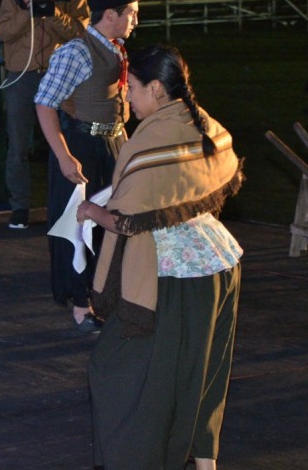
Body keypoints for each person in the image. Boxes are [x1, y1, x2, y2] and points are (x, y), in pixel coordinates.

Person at [76, 44, 244, 470]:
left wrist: (92, 211)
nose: (127, 98)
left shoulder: (153, 135)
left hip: (173, 274)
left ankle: (138, 459)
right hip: (218, 259)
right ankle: (205, 461)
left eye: (131, 89)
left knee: (125, 373)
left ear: (155, 88)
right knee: (200, 371)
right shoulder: (202, 120)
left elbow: (127, 219)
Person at [34, 0, 142, 333]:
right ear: (110, 14)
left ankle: (105, 294)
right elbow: (45, 103)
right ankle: (81, 304)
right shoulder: (75, 52)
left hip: (111, 145)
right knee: (79, 226)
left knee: (111, 222)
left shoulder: (116, 49)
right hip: (81, 147)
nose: (135, 21)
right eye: (132, 14)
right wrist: (64, 156)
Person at [0, 0, 90, 230]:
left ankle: (67, 204)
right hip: (21, 75)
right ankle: (19, 207)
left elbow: (81, 33)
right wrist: (28, 9)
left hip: (59, 75)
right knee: (18, 144)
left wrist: (51, 11)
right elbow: (3, 33)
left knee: (66, 141)